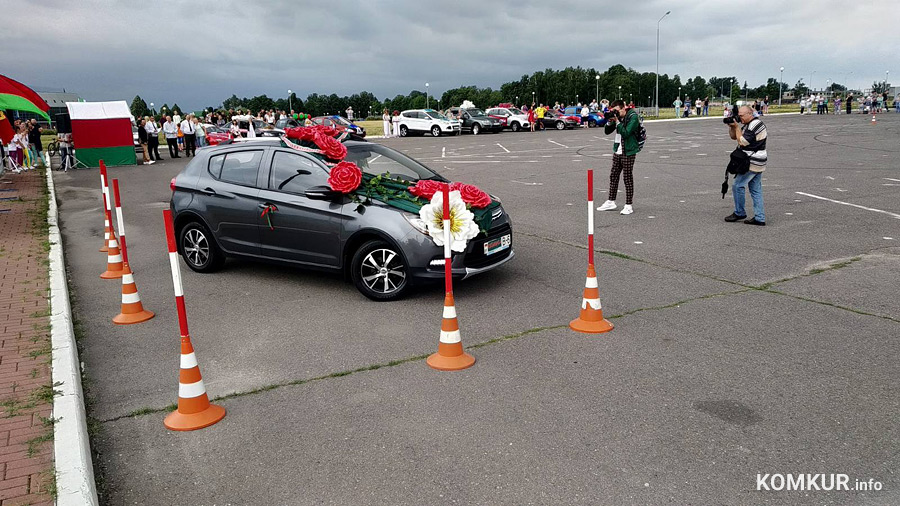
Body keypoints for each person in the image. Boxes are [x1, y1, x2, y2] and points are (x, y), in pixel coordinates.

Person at [597, 100, 642, 216]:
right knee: (613, 176)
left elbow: (626, 133)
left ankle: (628, 205)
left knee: (627, 178)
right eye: (613, 111)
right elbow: (607, 132)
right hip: (618, 150)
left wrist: (617, 122)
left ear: (623, 108)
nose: (615, 113)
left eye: (616, 111)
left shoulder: (633, 116)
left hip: (628, 151)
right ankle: (611, 201)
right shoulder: (617, 117)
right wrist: (609, 121)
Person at [724, 106, 767, 226]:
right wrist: (733, 127)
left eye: (742, 116)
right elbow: (734, 137)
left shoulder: (755, 124)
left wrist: (737, 127)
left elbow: (742, 142)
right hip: (758, 160)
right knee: (755, 189)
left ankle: (739, 212)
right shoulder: (749, 124)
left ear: (750, 114)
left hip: (752, 161)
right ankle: (760, 217)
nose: (739, 118)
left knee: (737, 185)